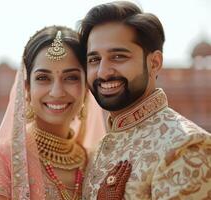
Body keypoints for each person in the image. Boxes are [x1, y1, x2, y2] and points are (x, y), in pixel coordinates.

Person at [0, 26, 131, 200]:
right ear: (27, 89)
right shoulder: (4, 158)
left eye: (71, 77)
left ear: (86, 88)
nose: (57, 92)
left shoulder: (97, 163)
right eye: (43, 78)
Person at [79, 1, 211, 199]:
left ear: (154, 63)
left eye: (118, 56)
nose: (103, 72)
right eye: (94, 60)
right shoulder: (97, 150)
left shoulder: (185, 146)